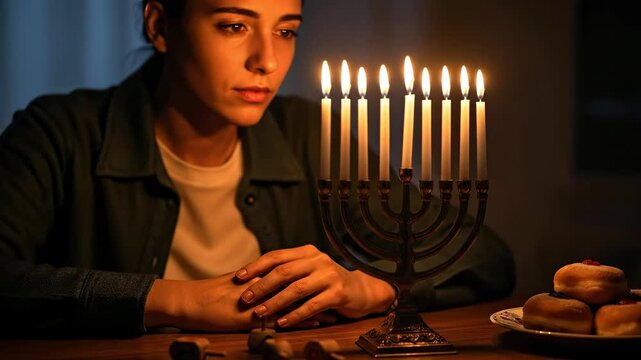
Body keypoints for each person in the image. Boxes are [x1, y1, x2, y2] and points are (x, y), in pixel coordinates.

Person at [0, 0, 515, 337]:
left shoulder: (308, 135)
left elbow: (486, 257)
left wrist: (374, 287)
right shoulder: (58, 132)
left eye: (287, 31)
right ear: (160, 26)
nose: (266, 60)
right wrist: (174, 300)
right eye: (234, 25)